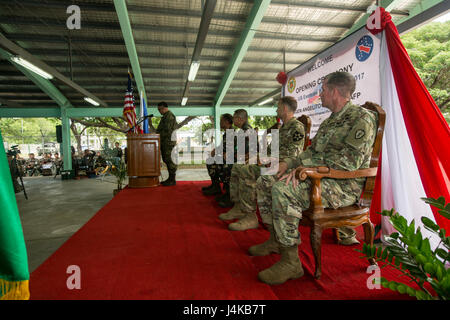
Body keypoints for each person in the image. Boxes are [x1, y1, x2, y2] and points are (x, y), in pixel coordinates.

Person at [253, 71, 377, 285]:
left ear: (334, 91)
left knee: (283, 189)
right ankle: (276, 239)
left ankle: (291, 262)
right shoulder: (331, 121)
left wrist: (306, 170)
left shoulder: (362, 118)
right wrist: (288, 164)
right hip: (320, 177)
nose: (320, 95)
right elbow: (311, 153)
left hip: (343, 186)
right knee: (266, 180)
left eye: (322, 90)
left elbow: (349, 163)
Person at [220, 97, 306, 232]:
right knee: (238, 167)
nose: (276, 110)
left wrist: (267, 159)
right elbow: (272, 150)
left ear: (284, 108)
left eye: (278, 107)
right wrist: (258, 157)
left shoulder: (297, 127)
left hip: (283, 168)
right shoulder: (283, 127)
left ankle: (250, 217)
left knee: (246, 171)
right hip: (271, 164)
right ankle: (239, 207)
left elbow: (294, 155)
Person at [217, 109, 254, 208]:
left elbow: (244, 152)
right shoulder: (243, 130)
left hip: (248, 160)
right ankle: (228, 193)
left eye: (234, 117)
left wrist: (230, 155)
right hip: (244, 158)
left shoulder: (246, 130)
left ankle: (232, 197)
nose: (233, 120)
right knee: (224, 161)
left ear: (239, 118)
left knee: (227, 165)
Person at [202, 113, 234, 197]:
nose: (220, 122)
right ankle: (215, 186)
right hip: (224, 157)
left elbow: (231, 149)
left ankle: (228, 192)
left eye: (221, 120)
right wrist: (215, 150)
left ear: (227, 121)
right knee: (210, 161)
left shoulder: (232, 133)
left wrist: (219, 152)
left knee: (223, 165)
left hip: (231, 159)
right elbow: (222, 146)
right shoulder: (227, 133)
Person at [150, 101, 178, 186]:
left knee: (170, 160)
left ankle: (172, 180)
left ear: (164, 108)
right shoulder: (165, 116)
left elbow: (167, 130)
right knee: (167, 160)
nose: (159, 111)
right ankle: (171, 179)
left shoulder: (169, 116)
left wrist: (157, 135)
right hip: (165, 142)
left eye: (160, 109)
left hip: (168, 142)